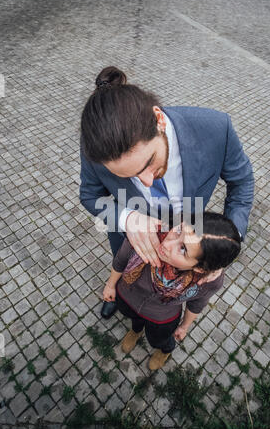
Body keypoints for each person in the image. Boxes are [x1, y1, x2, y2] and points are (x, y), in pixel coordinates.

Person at [79, 66, 254, 319]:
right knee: (127, 277)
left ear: (159, 120)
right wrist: (126, 218)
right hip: (133, 241)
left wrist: (229, 240)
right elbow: (89, 195)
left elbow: (242, 181)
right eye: (126, 175)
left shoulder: (216, 128)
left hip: (190, 238)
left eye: (148, 162)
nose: (147, 182)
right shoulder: (93, 150)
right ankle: (121, 293)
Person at [102, 212, 241, 370]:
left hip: (162, 318)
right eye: (178, 230)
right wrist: (110, 285)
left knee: (158, 339)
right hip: (128, 297)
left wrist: (184, 327)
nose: (167, 244)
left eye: (183, 249)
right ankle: (136, 330)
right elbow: (121, 260)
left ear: (200, 268)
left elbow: (197, 304)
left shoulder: (208, 281)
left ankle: (165, 349)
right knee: (134, 318)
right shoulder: (147, 233)